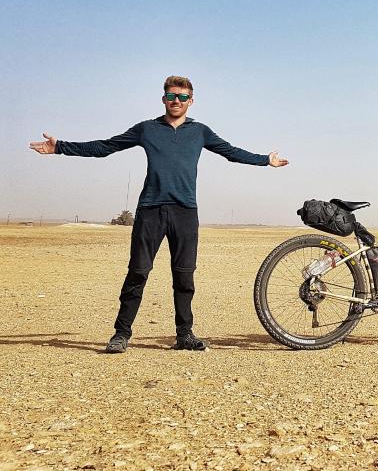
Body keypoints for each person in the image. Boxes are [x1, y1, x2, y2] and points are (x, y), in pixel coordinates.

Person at [29, 76, 289, 353]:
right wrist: (60, 147)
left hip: (185, 212)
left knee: (184, 276)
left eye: (182, 97)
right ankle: (121, 334)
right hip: (150, 211)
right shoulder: (147, 129)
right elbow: (106, 147)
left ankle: (184, 335)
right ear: (163, 98)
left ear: (192, 100)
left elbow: (231, 152)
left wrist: (265, 160)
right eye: (171, 96)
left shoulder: (200, 132)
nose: (176, 101)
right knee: (138, 273)